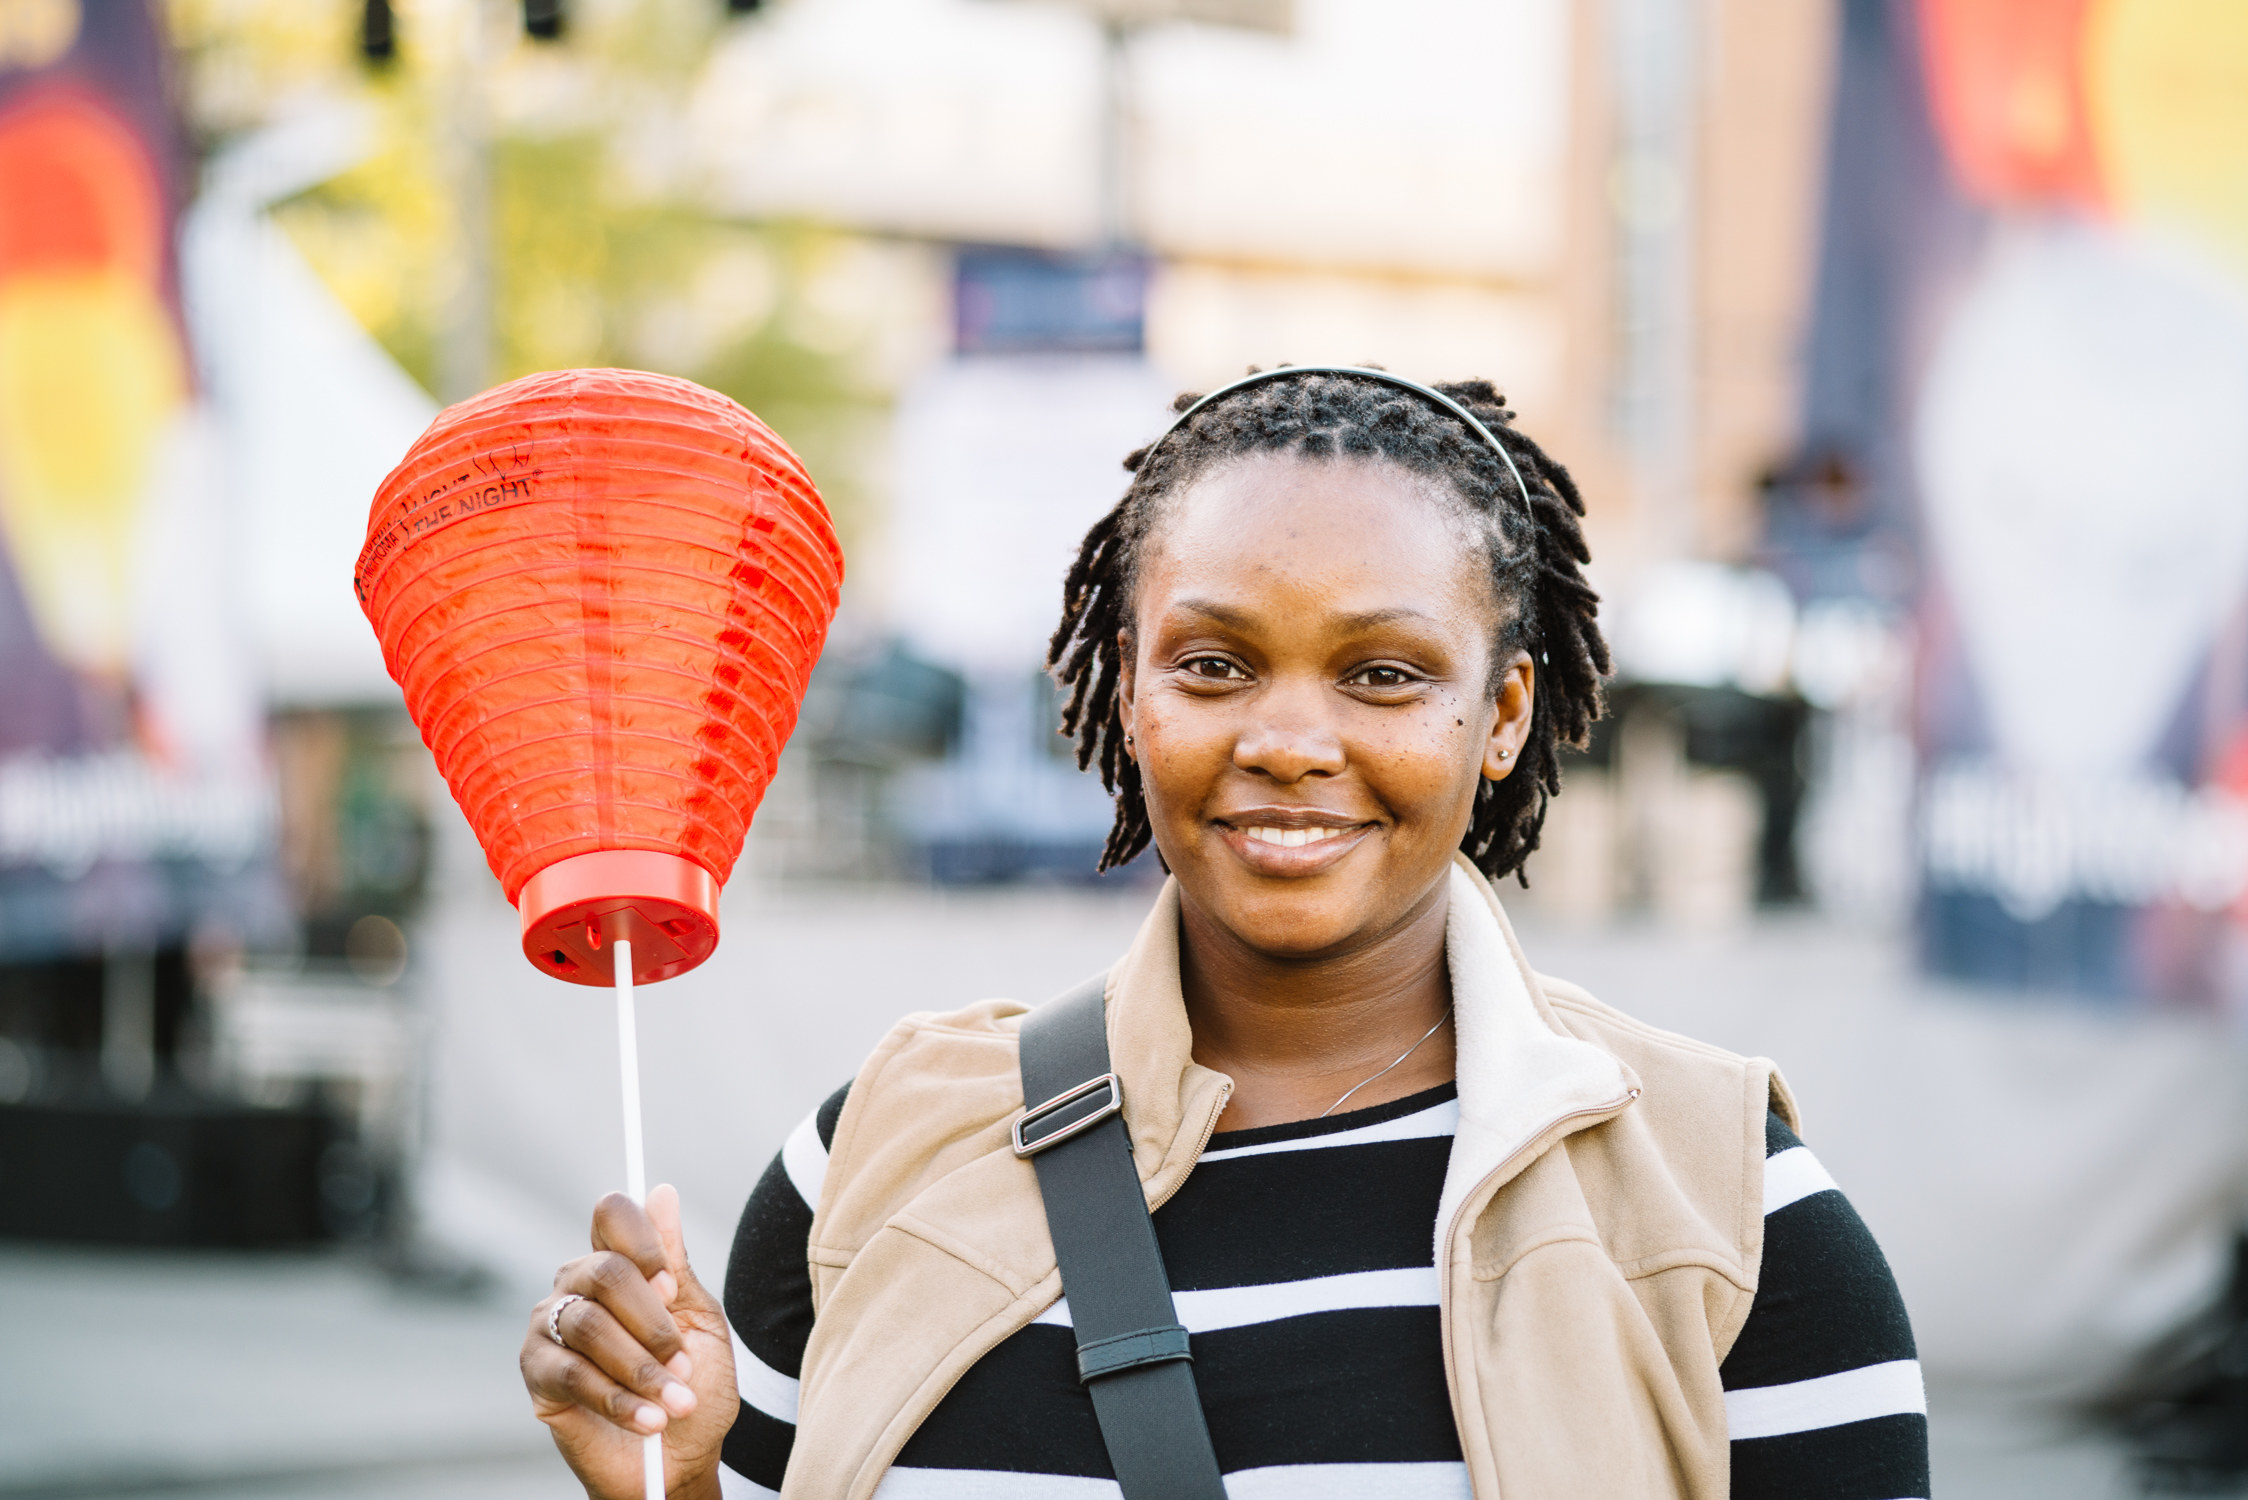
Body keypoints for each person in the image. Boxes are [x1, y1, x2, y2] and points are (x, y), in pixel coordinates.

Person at [518, 368, 1929, 1499]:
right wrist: (673, 1484)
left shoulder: (1726, 1206)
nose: (1290, 740)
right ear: (1127, 690)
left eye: (1384, 673)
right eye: (1213, 664)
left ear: (1502, 715)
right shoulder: (875, 1155)